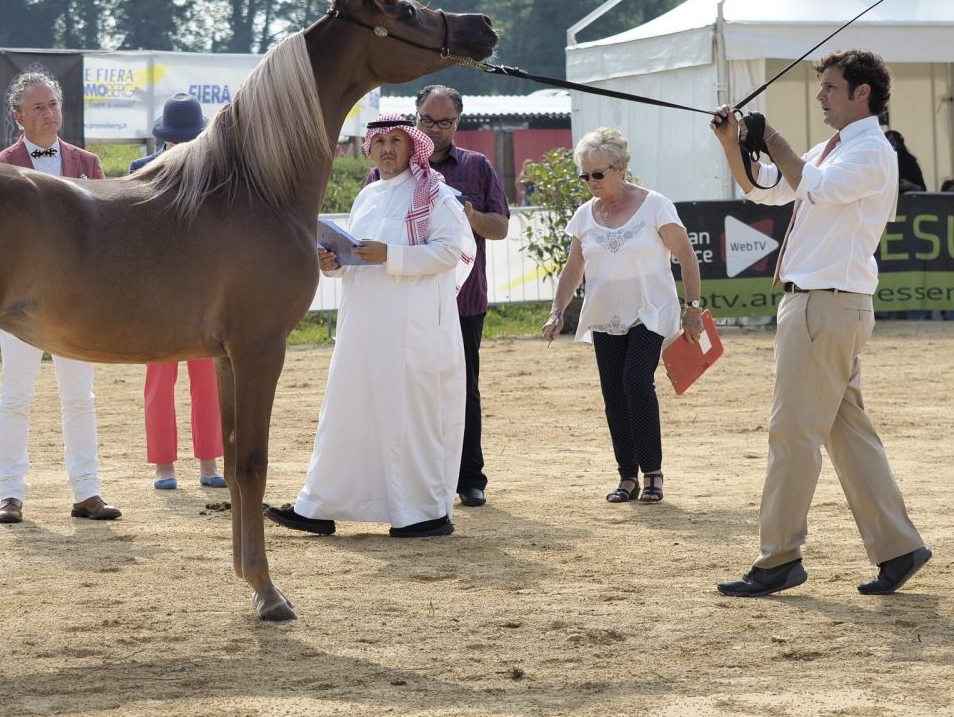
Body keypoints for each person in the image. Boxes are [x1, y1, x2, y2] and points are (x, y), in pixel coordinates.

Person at [711, 49, 930, 597]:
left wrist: (771, 136)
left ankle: (779, 558)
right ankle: (899, 547)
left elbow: (817, 187)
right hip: (825, 305)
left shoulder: (871, 151)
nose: (821, 95)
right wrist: (734, 142)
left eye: (830, 86)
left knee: (792, 434)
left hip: (823, 305)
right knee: (846, 432)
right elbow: (768, 187)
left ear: (862, 92)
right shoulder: (833, 148)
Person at [266, 115, 475, 538]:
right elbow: (353, 256)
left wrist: (390, 255)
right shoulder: (368, 196)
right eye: (379, 141)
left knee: (407, 418)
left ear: (412, 146)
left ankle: (422, 514)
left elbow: (449, 252)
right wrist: (332, 262)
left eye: (396, 140)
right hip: (361, 329)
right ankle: (319, 505)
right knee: (348, 413)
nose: (387, 148)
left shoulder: (434, 194)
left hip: (411, 332)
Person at [541, 128, 703, 505]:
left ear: (621, 168)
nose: (591, 182)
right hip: (605, 314)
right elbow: (573, 269)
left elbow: (687, 256)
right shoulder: (584, 216)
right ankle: (627, 476)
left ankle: (653, 472)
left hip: (650, 310)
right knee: (613, 394)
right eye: (585, 176)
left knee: (636, 382)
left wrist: (693, 307)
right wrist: (557, 311)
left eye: (598, 174)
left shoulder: (655, 205)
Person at [0, 68, 120, 525]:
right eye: (39, 107)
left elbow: (106, 233)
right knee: (15, 396)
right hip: (20, 305)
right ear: (19, 117)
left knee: (80, 396)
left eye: (53, 104)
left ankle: (88, 491)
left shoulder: (88, 163)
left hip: (77, 303)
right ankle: (10, 494)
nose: (49, 113)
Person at [369, 85, 509, 508]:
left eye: (444, 121)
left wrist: (469, 216)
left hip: (461, 302)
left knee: (462, 389)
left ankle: (469, 478)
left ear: (458, 122)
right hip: (401, 300)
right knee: (405, 389)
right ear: (415, 117)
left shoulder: (477, 166)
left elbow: (500, 227)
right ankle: (410, 476)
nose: (434, 128)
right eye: (427, 120)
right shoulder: (388, 168)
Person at [129, 94, 226, 490]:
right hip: (158, 294)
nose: (184, 143)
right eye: (178, 137)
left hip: (203, 292)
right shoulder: (140, 170)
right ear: (165, 136)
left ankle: (209, 462)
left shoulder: (216, 171)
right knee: (158, 381)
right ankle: (164, 466)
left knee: (208, 383)